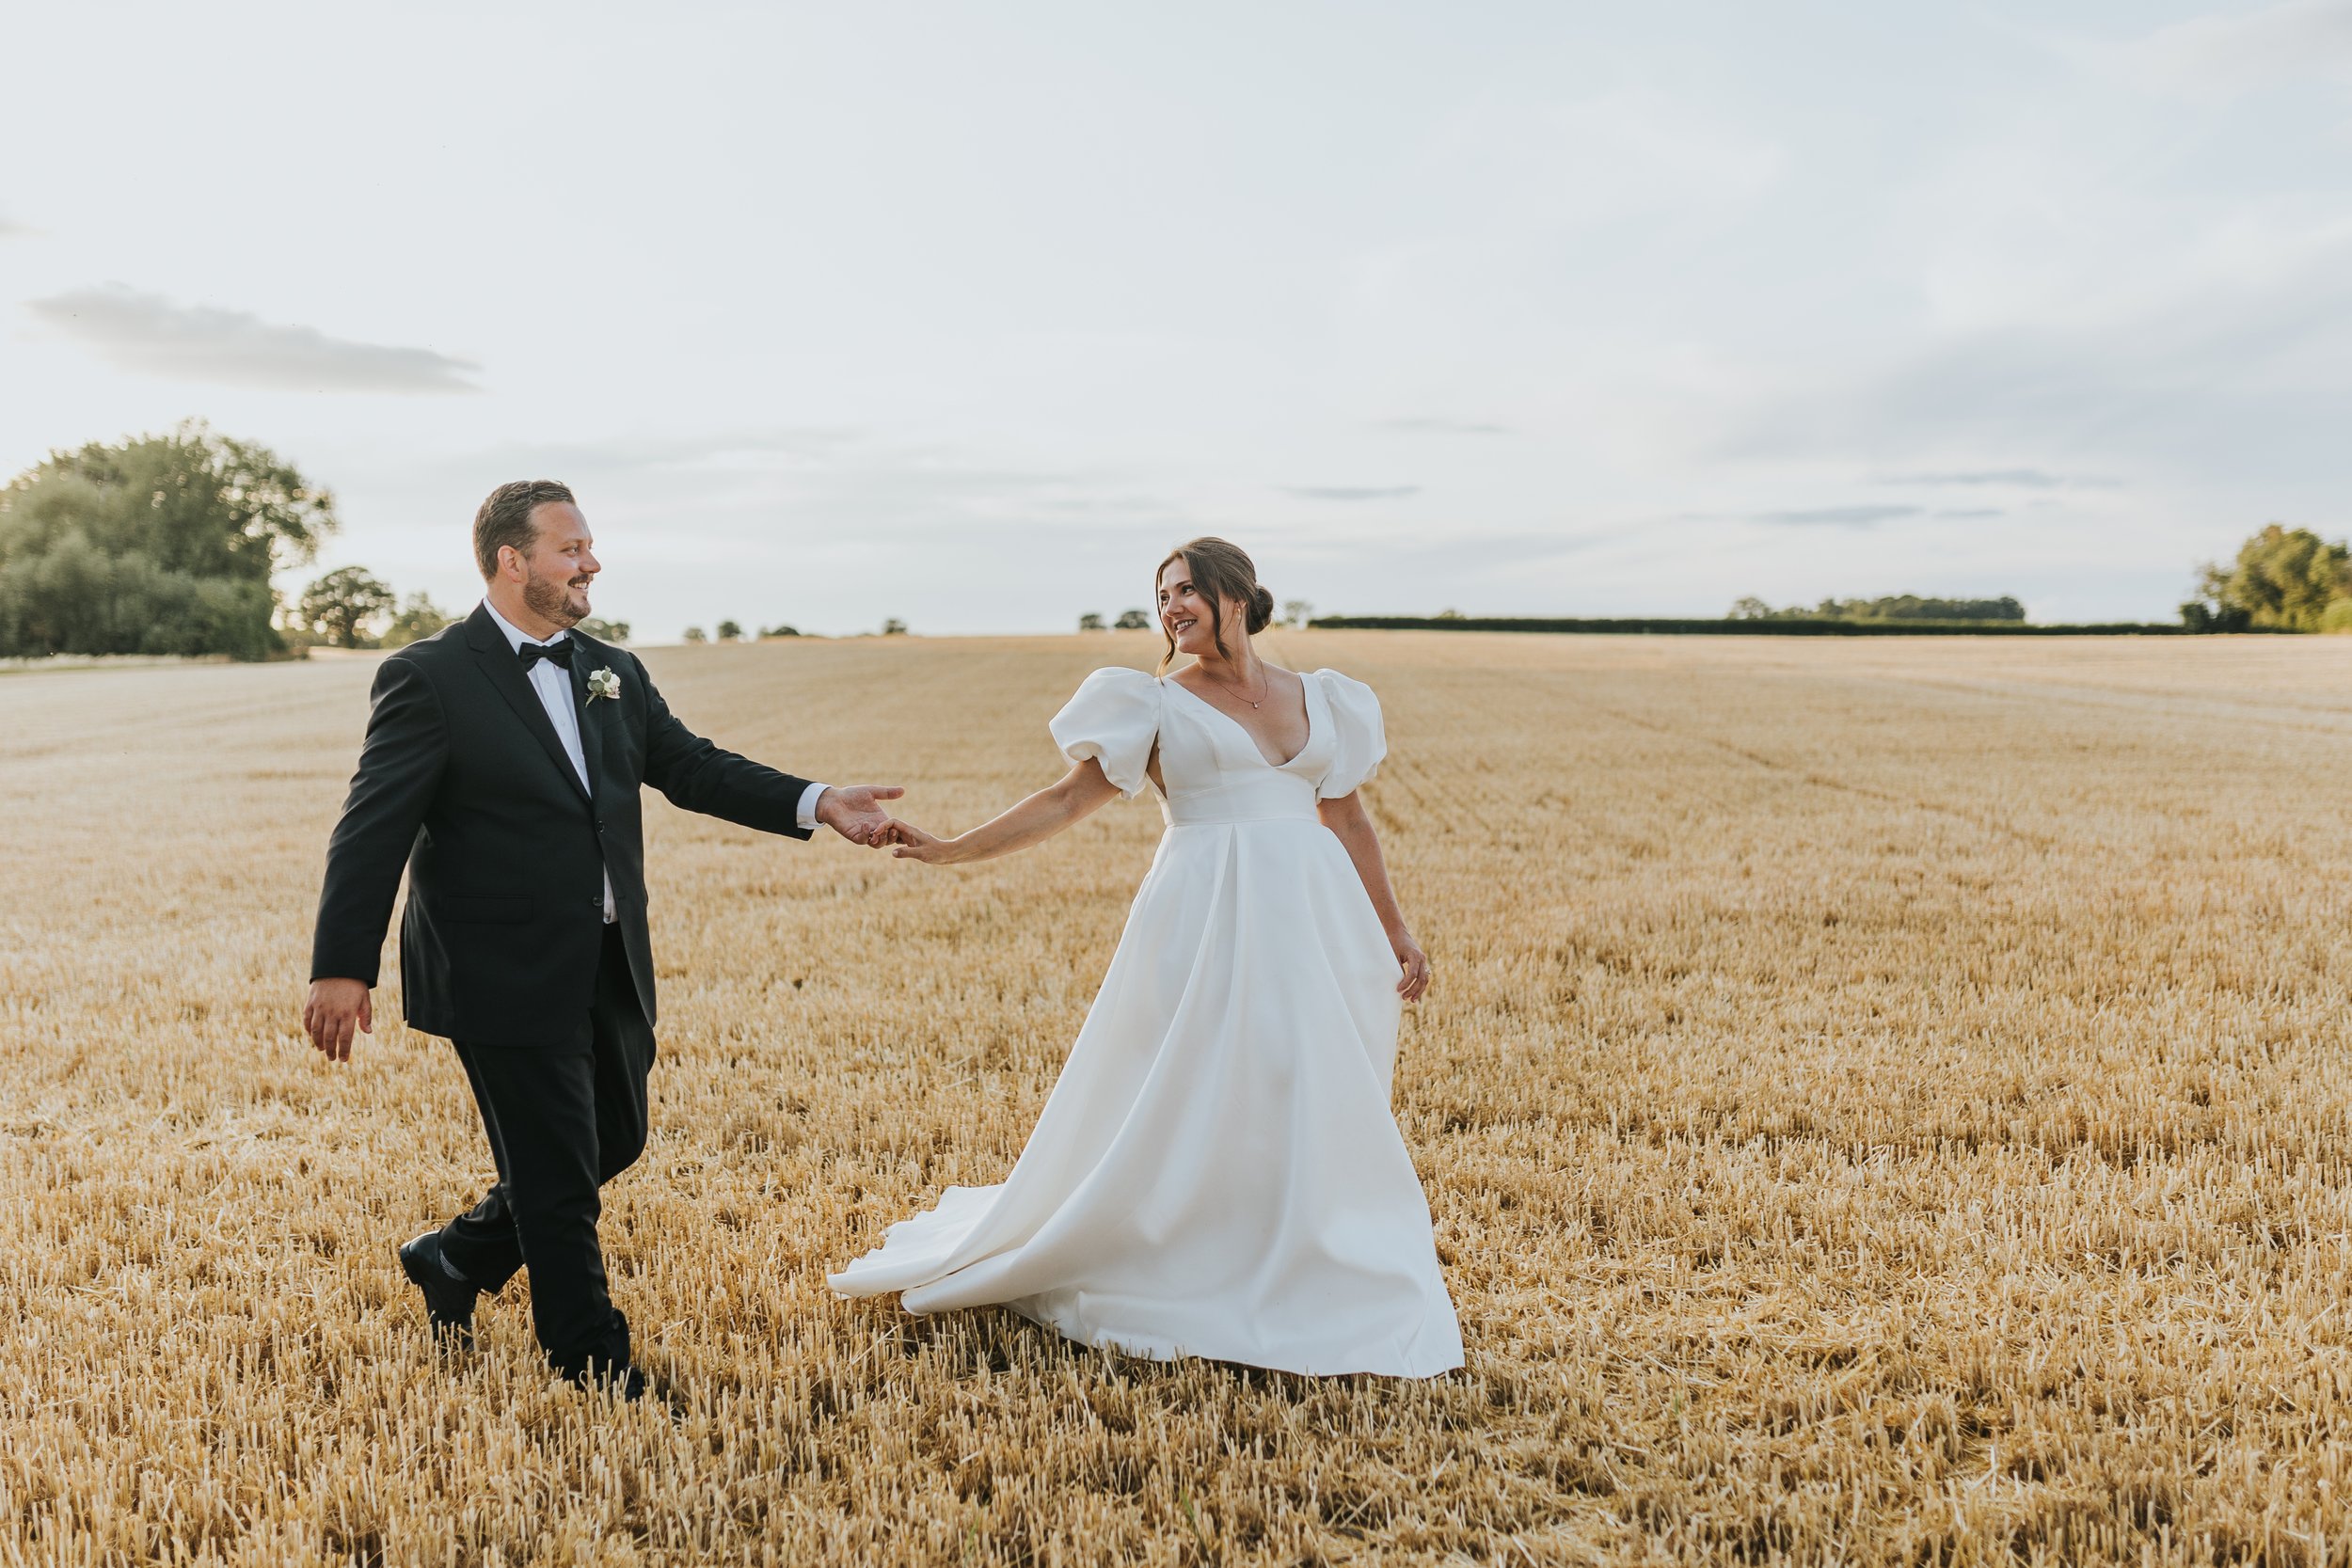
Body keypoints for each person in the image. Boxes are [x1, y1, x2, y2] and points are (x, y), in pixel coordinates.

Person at [303, 480, 900, 1400]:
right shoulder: (430, 675)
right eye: (570, 547)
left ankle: (454, 1256)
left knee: (611, 1139)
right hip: (496, 965)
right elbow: (372, 826)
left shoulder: (608, 668)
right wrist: (342, 965)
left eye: (588, 545)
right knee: (557, 1181)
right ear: (513, 560)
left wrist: (817, 801)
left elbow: (690, 765)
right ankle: (590, 1364)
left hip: (609, 959)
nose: (590, 561)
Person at [831, 537, 1460, 1377]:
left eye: (1186, 590)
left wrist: (1396, 929)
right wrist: (950, 850)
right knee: (1200, 1082)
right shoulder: (1153, 704)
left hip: (1314, 919)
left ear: (1237, 593)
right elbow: (1063, 800)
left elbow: (1347, 821)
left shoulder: (1324, 698)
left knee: (1307, 1081)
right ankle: (1191, 1252)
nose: (1170, 608)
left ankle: (1313, 1253)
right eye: (1162, 596)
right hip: (1204, 914)